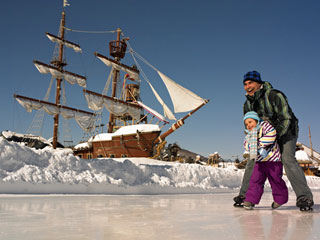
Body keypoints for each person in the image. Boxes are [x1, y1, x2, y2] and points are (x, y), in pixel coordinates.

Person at [233, 70, 314, 211]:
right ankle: (245, 195)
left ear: (259, 83)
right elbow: (250, 126)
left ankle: (304, 196)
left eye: (250, 83)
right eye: (245, 84)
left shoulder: (275, 95)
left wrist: (273, 139)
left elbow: (286, 118)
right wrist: (253, 142)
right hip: (264, 136)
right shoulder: (247, 105)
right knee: (253, 159)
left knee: (287, 158)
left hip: (286, 131)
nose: (247, 86)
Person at [242, 111, 288, 210]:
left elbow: (272, 135)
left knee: (275, 180)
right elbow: (246, 145)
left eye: (250, 122)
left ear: (256, 120)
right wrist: (250, 146)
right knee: (255, 180)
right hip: (259, 162)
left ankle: (280, 199)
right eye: (246, 124)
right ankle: (250, 200)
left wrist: (258, 144)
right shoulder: (249, 134)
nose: (248, 125)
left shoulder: (265, 126)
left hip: (273, 161)